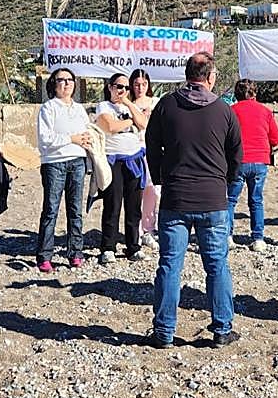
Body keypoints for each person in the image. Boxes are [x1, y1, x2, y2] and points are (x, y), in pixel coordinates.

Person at [144, 51, 243, 349]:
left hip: (176, 198)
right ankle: (222, 329)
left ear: (187, 75)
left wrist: (162, 177)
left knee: (170, 266)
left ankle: (164, 332)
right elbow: (236, 154)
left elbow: (151, 146)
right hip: (212, 200)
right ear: (211, 78)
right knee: (216, 266)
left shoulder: (166, 106)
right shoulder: (224, 112)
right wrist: (223, 182)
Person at [35, 67, 92, 272]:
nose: (66, 83)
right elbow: (45, 140)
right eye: (61, 80)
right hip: (54, 164)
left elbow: (87, 134)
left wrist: (86, 140)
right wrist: (72, 139)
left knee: (75, 210)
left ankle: (75, 252)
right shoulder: (48, 108)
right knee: (51, 210)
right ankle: (44, 255)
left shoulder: (79, 109)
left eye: (70, 80)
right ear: (53, 84)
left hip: (77, 162)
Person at [94, 72, 150, 264]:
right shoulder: (103, 106)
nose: (123, 91)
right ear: (110, 87)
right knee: (113, 204)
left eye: (126, 87)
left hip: (133, 159)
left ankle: (133, 246)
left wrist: (127, 104)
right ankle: (108, 247)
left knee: (134, 207)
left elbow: (143, 124)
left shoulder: (129, 104)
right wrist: (130, 122)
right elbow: (110, 126)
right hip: (114, 160)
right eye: (119, 86)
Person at [227, 79, 278, 251]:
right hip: (260, 160)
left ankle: (228, 236)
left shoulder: (231, 111)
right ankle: (258, 238)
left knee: (230, 200)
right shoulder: (265, 111)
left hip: (238, 161)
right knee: (256, 200)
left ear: (236, 94)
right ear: (254, 94)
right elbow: (276, 138)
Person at [129, 69, 162, 248]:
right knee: (136, 191)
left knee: (153, 191)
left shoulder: (156, 103)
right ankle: (136, 230)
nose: (140, 87)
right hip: (134, 150)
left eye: (143, 84)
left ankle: (149, 228)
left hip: (152, 151)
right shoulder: (128, 104)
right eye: (136, 84)